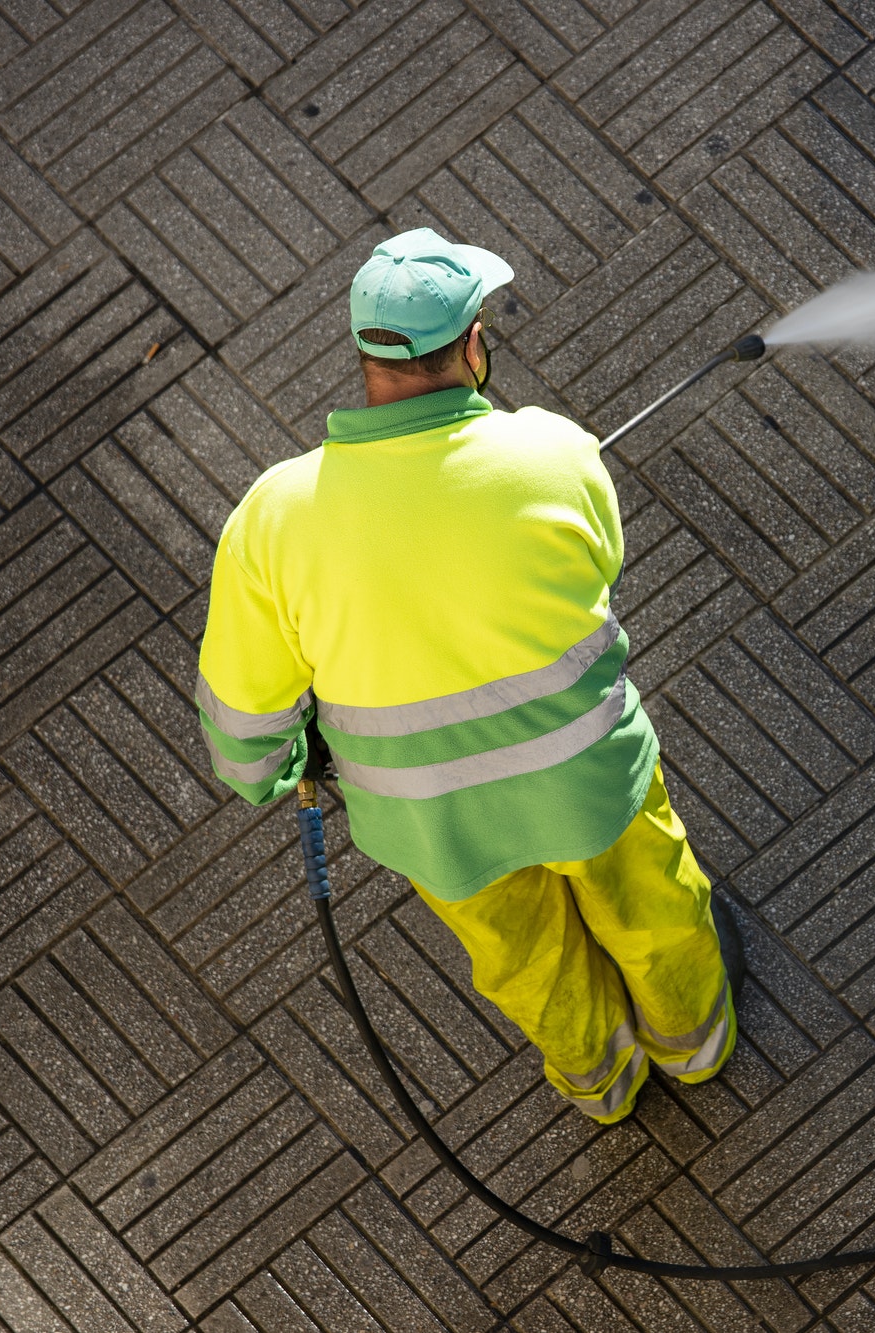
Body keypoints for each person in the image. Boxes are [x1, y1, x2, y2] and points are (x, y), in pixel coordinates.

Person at [194, 228, 736, 1124]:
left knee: (525, 958)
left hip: (434, 823)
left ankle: (602, 1082)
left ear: (365, 354)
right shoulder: (555, 454)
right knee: (652, 907)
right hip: (588, 783)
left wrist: (283, 773)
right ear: (475, 344)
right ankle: (696, 1045)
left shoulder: (273, 520)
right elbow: (600, 568)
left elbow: (245, 732)